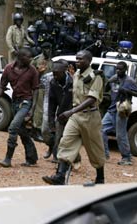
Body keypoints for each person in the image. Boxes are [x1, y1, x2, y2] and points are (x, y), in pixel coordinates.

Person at [42, 50, 105, 185]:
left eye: (80, 59)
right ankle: (60, 176)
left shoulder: (96, 77)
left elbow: (91, 99)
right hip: (76, 116)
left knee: (95, 149)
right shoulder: (75, 74)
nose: (77, 61)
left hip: (90, 116)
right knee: (66, 142)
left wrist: (70, 112)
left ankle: (100, 178)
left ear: (89, 61)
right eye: (76, 59)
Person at [0, 47, 39, 167]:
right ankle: (32, 157)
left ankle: (8, 159)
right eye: (29, 57)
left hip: (26, 102)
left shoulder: (32, 70)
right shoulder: (8, 68)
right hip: (15, 102)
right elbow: (2, 86)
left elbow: (35, 91)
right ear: (21, 57)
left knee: (13, 127)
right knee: (22, 130)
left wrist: (32, 111)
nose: (31, 59)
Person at [102, 61, 137, 165]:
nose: (118, 71)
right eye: (117, 69)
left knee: (120, 135)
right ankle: (104, 154)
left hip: (122, 110)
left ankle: (127, 158)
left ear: (125, 70)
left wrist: (127, 91)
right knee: (101, 130)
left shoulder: (129, 81)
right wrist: (107, 81)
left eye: (121, 69)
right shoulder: (114, 78)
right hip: (111, 110)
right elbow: (106, 89)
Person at [48, 60, 73, 162]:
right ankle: (56, 157)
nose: (55, 76)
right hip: (61, 115)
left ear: (64, 71)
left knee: (70, 139)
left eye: (57, 74)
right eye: (53, 73)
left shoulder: (73, 82)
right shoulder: (53, 83)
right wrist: (51, 121)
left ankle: (72, 158)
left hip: (73, 114)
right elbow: (52, 103)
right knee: (58, 137)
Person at [31, 42, 53, 144]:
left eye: (49, 48)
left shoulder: (51, 61)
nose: (48, 51)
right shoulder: (37, 60)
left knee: (45, 110)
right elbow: (30, 73)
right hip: (39, 87)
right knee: (38, 110)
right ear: (43, 49)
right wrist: (38, 72)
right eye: (46, 49)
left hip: (48, 89)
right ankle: (36, 130)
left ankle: (42, 130)